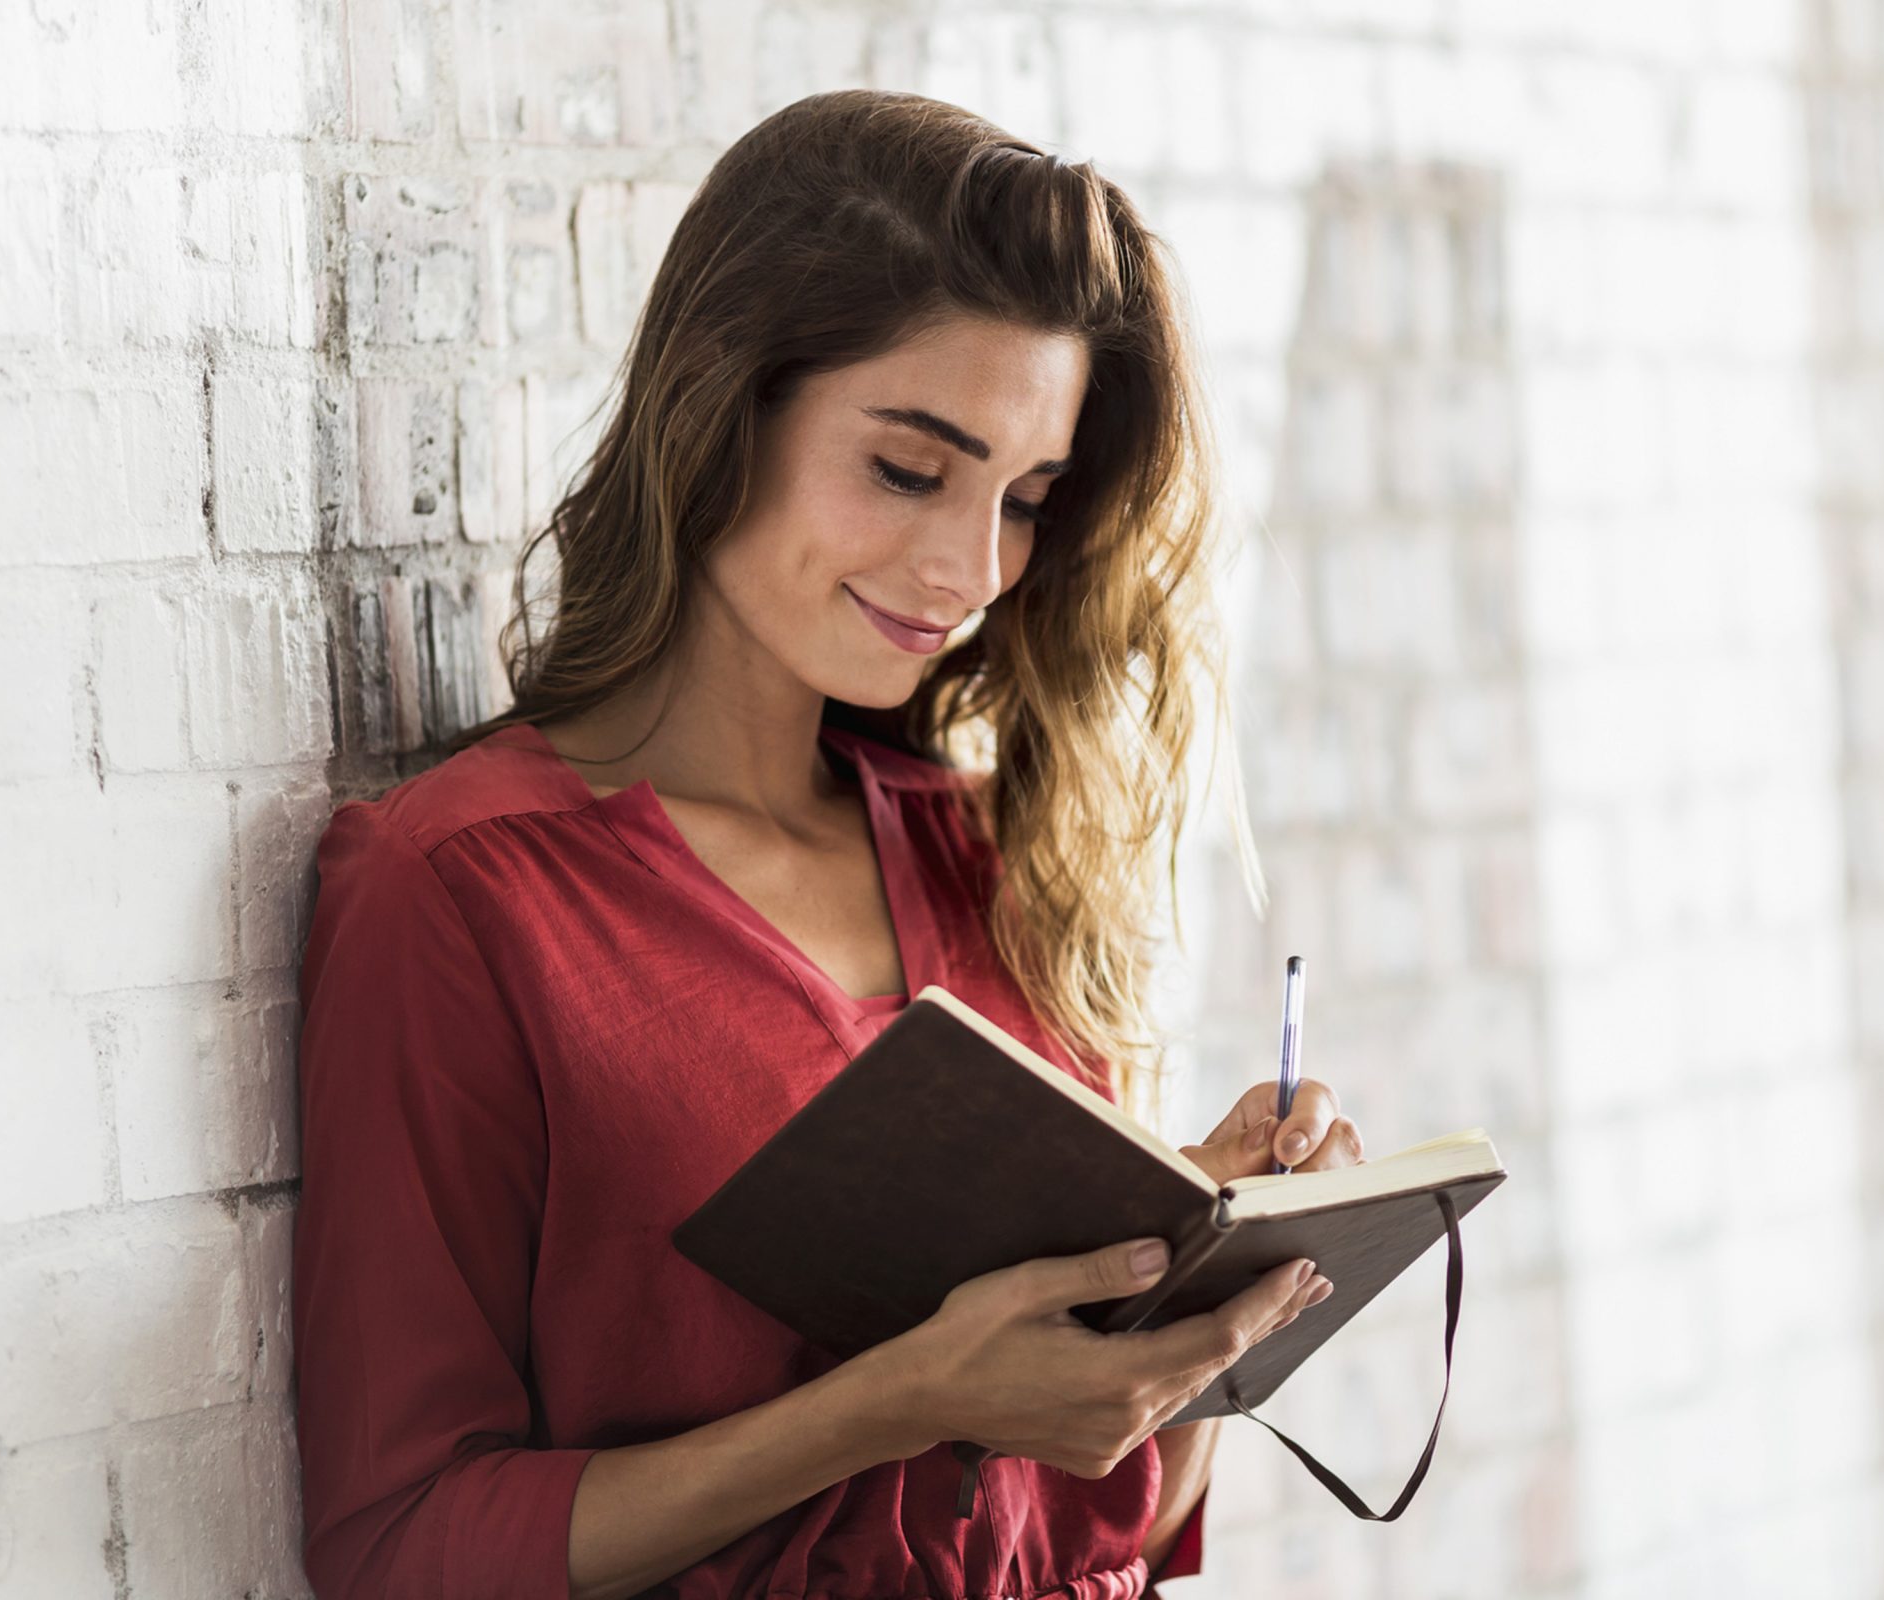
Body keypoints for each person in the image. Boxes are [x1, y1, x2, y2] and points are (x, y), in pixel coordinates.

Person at [290, 88, 1366, 1600]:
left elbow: (1104, 1533)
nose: (968, 567)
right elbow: (398, 1552)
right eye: (910, 471)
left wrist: (1196, 1298)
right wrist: (903, 1399)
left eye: (1027, 501)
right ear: (727, 408)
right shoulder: (464, 893)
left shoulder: (995, 860)